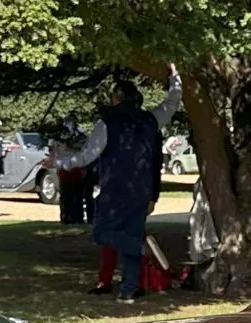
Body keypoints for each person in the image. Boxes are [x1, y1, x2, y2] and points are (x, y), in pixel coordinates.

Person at [70, 69, 181, 299]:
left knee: (102, 232)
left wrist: (61, 161)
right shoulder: (151, 120)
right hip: (142, 189)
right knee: (132, 231)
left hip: (114, 189)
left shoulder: (107, 122)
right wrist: (175, 77)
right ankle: (128, 291)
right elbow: (172, 103)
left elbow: (88, 155)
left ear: (116, 98)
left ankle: (137, 249)